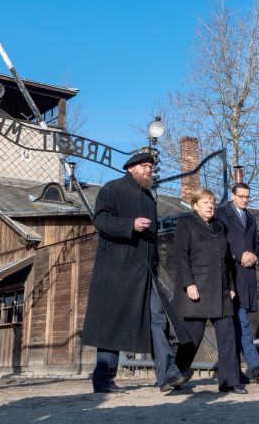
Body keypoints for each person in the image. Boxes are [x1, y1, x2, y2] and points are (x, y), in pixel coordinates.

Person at [82, 151, 191, 394]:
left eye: (151, 167)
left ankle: (168, 375)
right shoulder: (112, 189)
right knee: (113, 323)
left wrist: (154, 264)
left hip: (145, 272)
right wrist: (129, 225)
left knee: (157, 318)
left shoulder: (149, 199)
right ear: (130, 167)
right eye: (144, 166)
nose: (149, 171)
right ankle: (103, 380)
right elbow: (101, 221)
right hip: (117, 270)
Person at [172, 188, 244, 394]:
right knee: (192, 338)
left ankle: (230, 382)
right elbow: (181, 255)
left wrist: (230, 286)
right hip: (198, 290)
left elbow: (226, 260)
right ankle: (176, 375)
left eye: (212, 202)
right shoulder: (186, 223)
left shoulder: (219, 226)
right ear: (195, 205)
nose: (210, 205)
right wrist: (189, 284)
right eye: (205, 202)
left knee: (228, 336)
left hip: (221, 291)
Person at [215, 182, 259, 383]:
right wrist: (239, 256)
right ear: (233, 196)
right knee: (239, 325)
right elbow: (219, 244)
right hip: (229, 276)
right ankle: (254, 367)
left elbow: (258, 244)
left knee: (240, 324)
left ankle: (240, 372)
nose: (245, 200)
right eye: (242, 196)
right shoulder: (221, 214)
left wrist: (255, 256)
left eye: (248, 197)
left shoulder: (250, 218)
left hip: (246, 277)